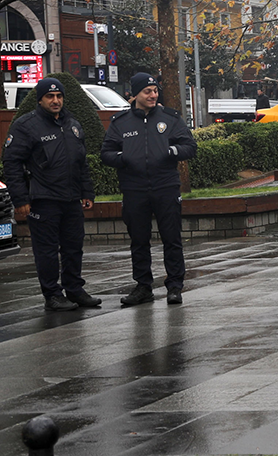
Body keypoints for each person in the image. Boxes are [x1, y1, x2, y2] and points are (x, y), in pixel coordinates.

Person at [2, 77, 101, 311]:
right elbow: (12, 163)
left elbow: (81, 162)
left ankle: (74, 290)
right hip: (43, 200)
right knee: (46, 251)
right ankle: (52, 295)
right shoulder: (26, 125)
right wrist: (20, 199)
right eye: (50, 96)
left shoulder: (73, 124)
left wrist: (87, 191)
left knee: (73, 247)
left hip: (71, 198)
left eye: (59, 96)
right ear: (40, 99)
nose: (55, 100)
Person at [101, 73, 197, 306]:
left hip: (165, 186)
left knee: (171, 239)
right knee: (139, 240)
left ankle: (174, 286)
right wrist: (124, 158)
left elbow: (189, 146)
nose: (153, 95)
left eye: (155, 91)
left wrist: (170, 151)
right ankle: (143, 286)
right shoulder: (120, 122)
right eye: (148, 91)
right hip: (134, 189)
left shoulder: (171, 118)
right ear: (135, 95)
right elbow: (106, 153)